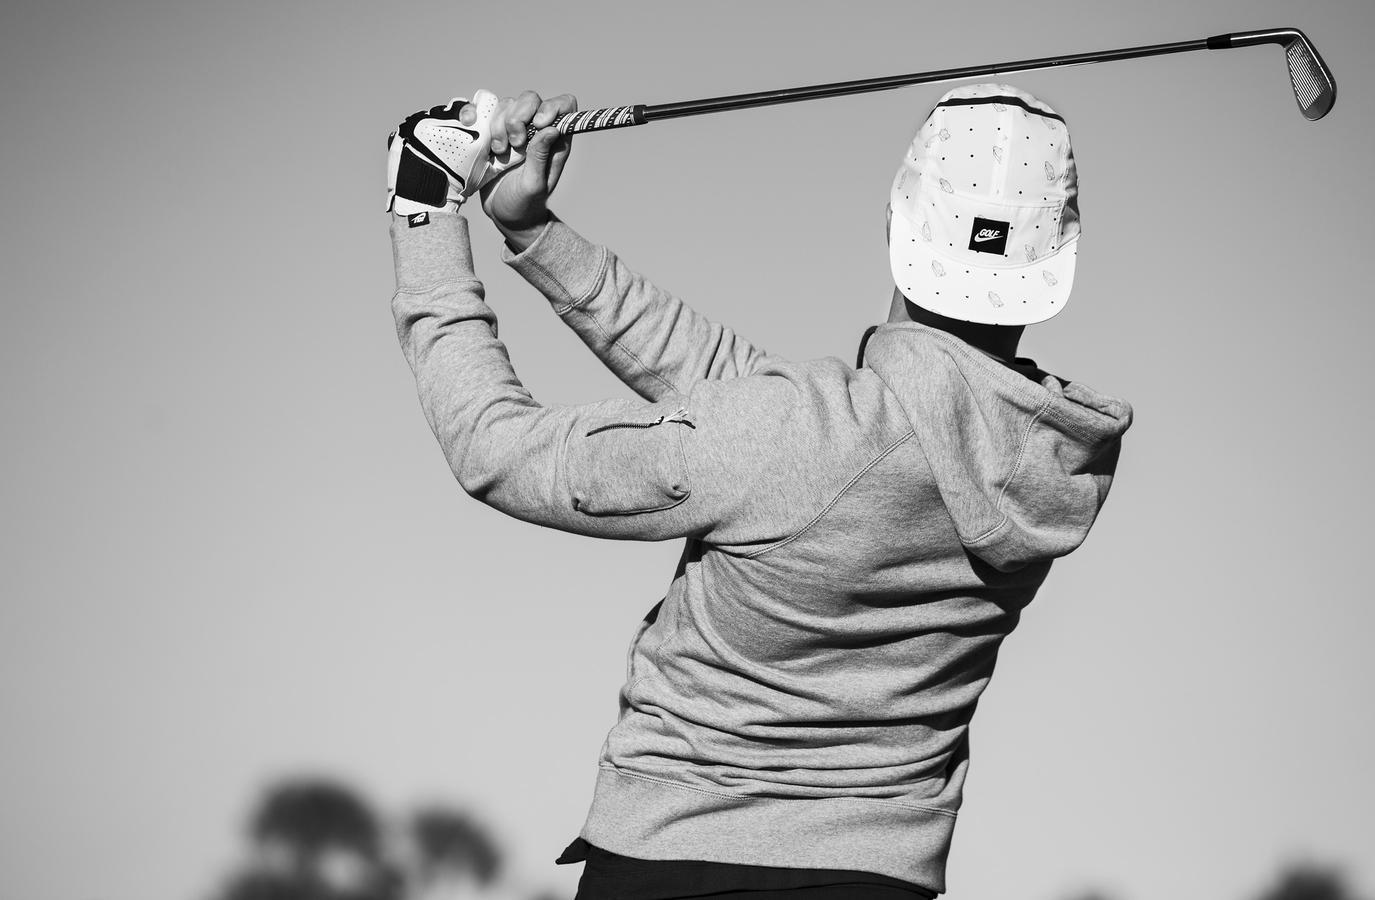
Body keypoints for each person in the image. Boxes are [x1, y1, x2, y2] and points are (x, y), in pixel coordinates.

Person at [384, 82, 1132, 899]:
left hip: (677, 867)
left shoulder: (799, 432)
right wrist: (534, 233)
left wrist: (425, 211)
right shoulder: (1050, 460)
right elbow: (751, 400)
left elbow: (494, 449)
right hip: (880, 880)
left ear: (896, 225)